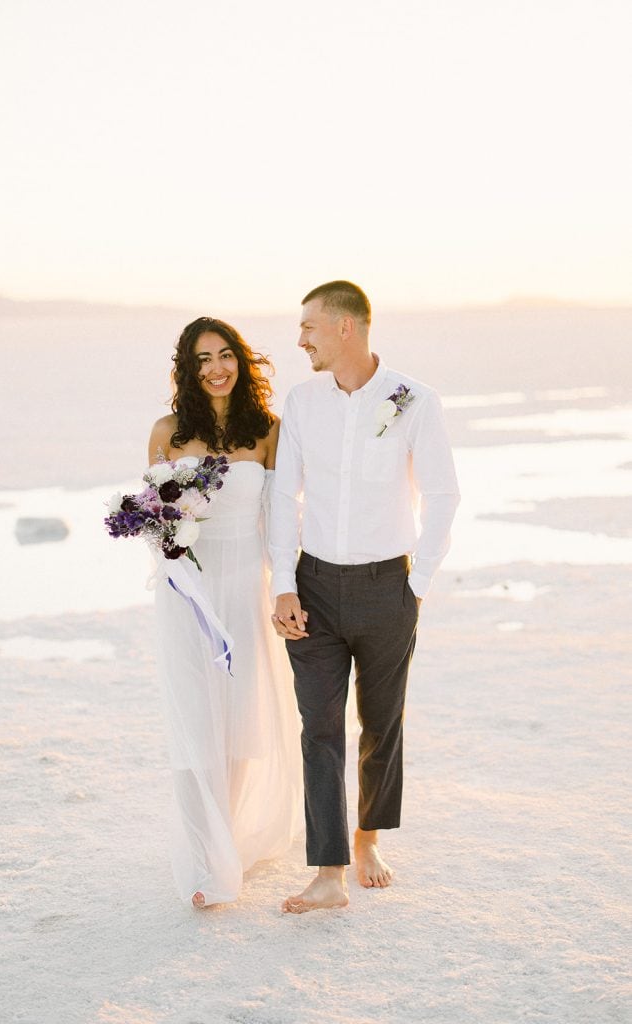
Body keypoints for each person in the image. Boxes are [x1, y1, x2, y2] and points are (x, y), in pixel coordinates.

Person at [269, 281, 460, 914]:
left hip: (388, 587)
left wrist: (419, 583)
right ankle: (329, 872)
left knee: (381, 724)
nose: (300, 340)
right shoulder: (301, 402)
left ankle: (368, 839)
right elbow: (282, 497)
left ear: (346, 327)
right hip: (315, 588)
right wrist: (284, 585)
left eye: (309, 328)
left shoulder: (414, 400)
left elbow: (441, 496)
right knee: (318, 729)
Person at [148, 316, 302, 908]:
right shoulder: (166, 431)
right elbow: (154, 514)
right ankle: (202, 858)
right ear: (187, 368)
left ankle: (226, 842)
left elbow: (283, 520)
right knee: (194, 720)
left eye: (226, 355)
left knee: (238, 721)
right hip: (185, 591)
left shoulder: (267, 432)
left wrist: (285, 587)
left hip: (243, 585)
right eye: (203, 358)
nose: (216, 368)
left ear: (241, 360)